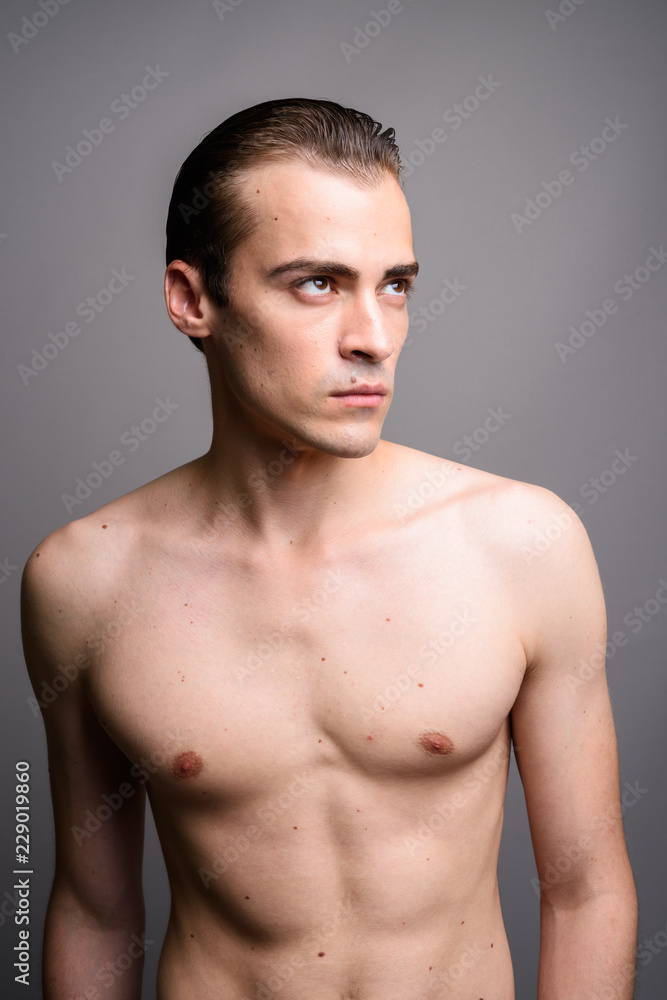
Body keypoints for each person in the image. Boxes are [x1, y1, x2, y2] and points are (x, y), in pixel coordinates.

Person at [21, 97, 637, 1000]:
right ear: (192, 300)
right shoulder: (83, 581)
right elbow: (93, 910)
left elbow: (584, 893)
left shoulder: (522, 546)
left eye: (395, 285)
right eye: (317, 284)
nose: (373, 339)